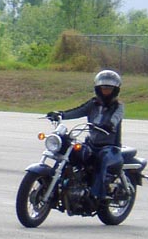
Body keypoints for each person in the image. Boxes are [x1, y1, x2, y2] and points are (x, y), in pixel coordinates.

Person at [47, 69, 125, 201]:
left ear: (115, 90)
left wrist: (109, 124)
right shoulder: (93, 103)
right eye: (103, 89)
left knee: (102, 161)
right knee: (72, 153)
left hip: (110, 147)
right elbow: (79, 111)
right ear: (98, 89)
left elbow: (116, 118)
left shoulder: (118, 106)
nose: (105, 91)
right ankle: (67, 184)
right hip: (91, 144)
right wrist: (61, 115)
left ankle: (98, 196)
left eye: (108, 89)